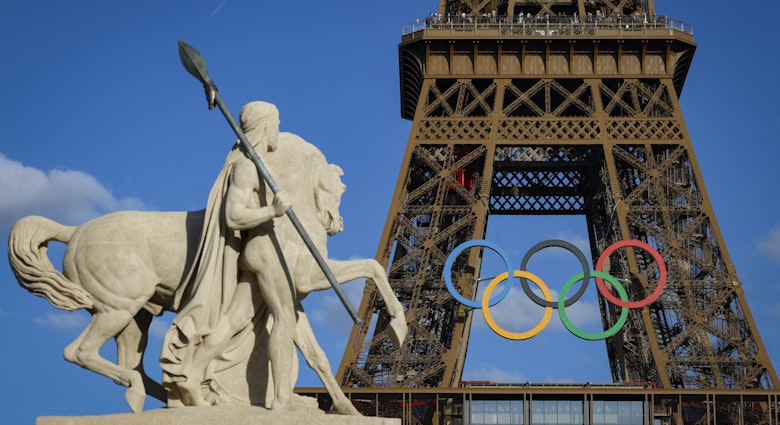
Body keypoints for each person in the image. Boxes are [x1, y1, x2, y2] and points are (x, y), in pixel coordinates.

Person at [160, 101, 293, 408]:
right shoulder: (247, 165)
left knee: (235, 319)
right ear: (263, 126)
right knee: (286, 317)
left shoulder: (253, 162)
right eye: (276, 123)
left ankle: (191, 374)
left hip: (256, 251)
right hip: (264, 250)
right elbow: (233, 216)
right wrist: (272, 210)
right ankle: (283, 398)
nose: (278, 129)